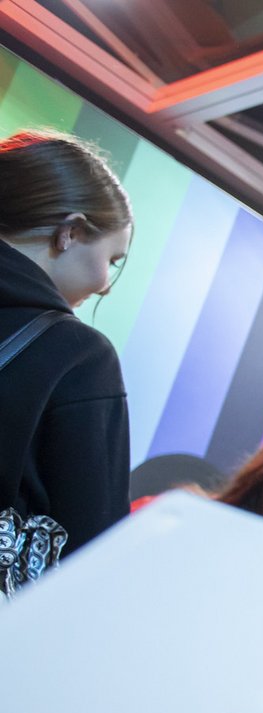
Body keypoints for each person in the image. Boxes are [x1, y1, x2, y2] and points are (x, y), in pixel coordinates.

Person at [0, 130, 133, 562]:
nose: (105, 286)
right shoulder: (77, 354)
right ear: (69, 233)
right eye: (111, 260)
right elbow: (93, 551)